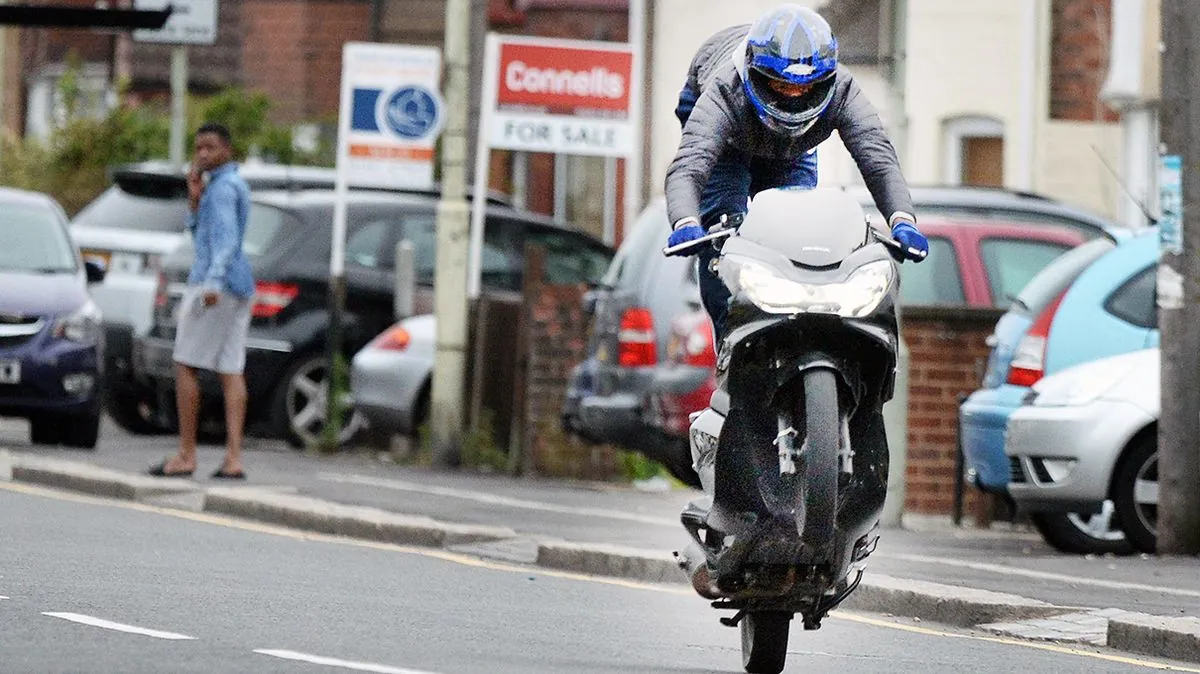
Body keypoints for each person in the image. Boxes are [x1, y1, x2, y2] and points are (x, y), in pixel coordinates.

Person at [664, 4, 928, 344]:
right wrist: (686, 221)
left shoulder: (843, 90)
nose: (791, 95)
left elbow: (877, 157)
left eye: (804, 88)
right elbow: (690, 165)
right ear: (755, 73)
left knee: (798, 235)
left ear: (825, 80)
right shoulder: (724, 90)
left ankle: (797, 339)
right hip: (727, 145)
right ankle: (730, 344)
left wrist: (902, 218)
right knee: (724, 229)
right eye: (780, 84)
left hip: (792, 149)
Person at [149, 123, 254, 480]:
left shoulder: (224, 189)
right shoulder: (226, 186)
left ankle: (186, 454)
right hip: (240, 285)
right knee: (230, 368)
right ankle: (233, 457)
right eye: (199, 149)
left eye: (211, 147)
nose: (204, 154)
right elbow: (204, 234)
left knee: (185, 364)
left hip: (214, 284)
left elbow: (224, 242)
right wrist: (194, 202)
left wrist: (212, 281)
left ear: (228, 149)